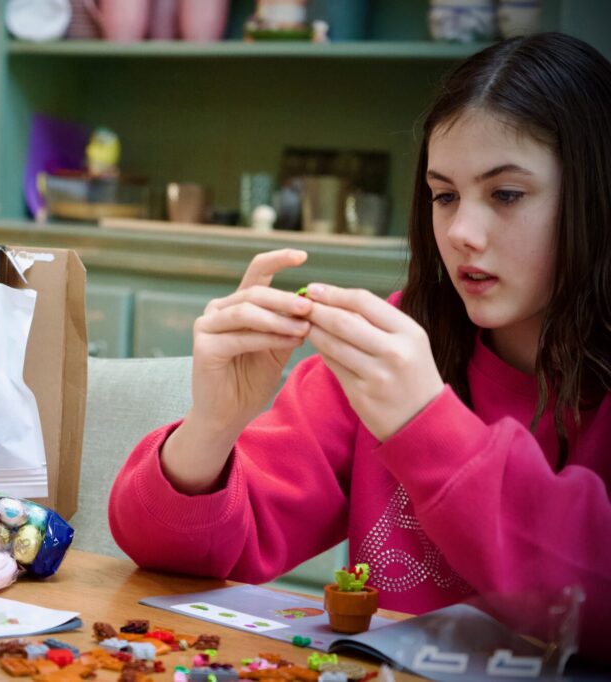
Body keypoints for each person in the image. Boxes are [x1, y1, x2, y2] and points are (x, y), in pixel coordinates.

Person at [108, 32, 611, 659]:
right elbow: (171, 550)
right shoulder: (392, 345)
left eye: (506, 194)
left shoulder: (399, 370)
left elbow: (591, 601)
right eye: (444, 195)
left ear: (596, 195)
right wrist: (213, 425)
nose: (461, 232)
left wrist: (426, 424)